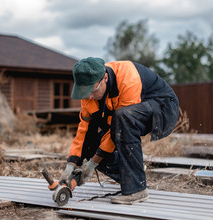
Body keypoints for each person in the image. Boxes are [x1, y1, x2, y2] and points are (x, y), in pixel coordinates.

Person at [59, 57, 179, 205]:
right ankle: (133, 174)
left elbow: (118, 129)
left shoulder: (128, 78)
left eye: (92, 91)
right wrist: (72, 164)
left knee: (122, 117)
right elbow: (84, 130)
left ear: (105, 78)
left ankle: (137, 190)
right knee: (92, 146)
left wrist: (92, 164)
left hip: (162, 107)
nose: (89, 96)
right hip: (125, 116)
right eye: (84, 92)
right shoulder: (88, 91)